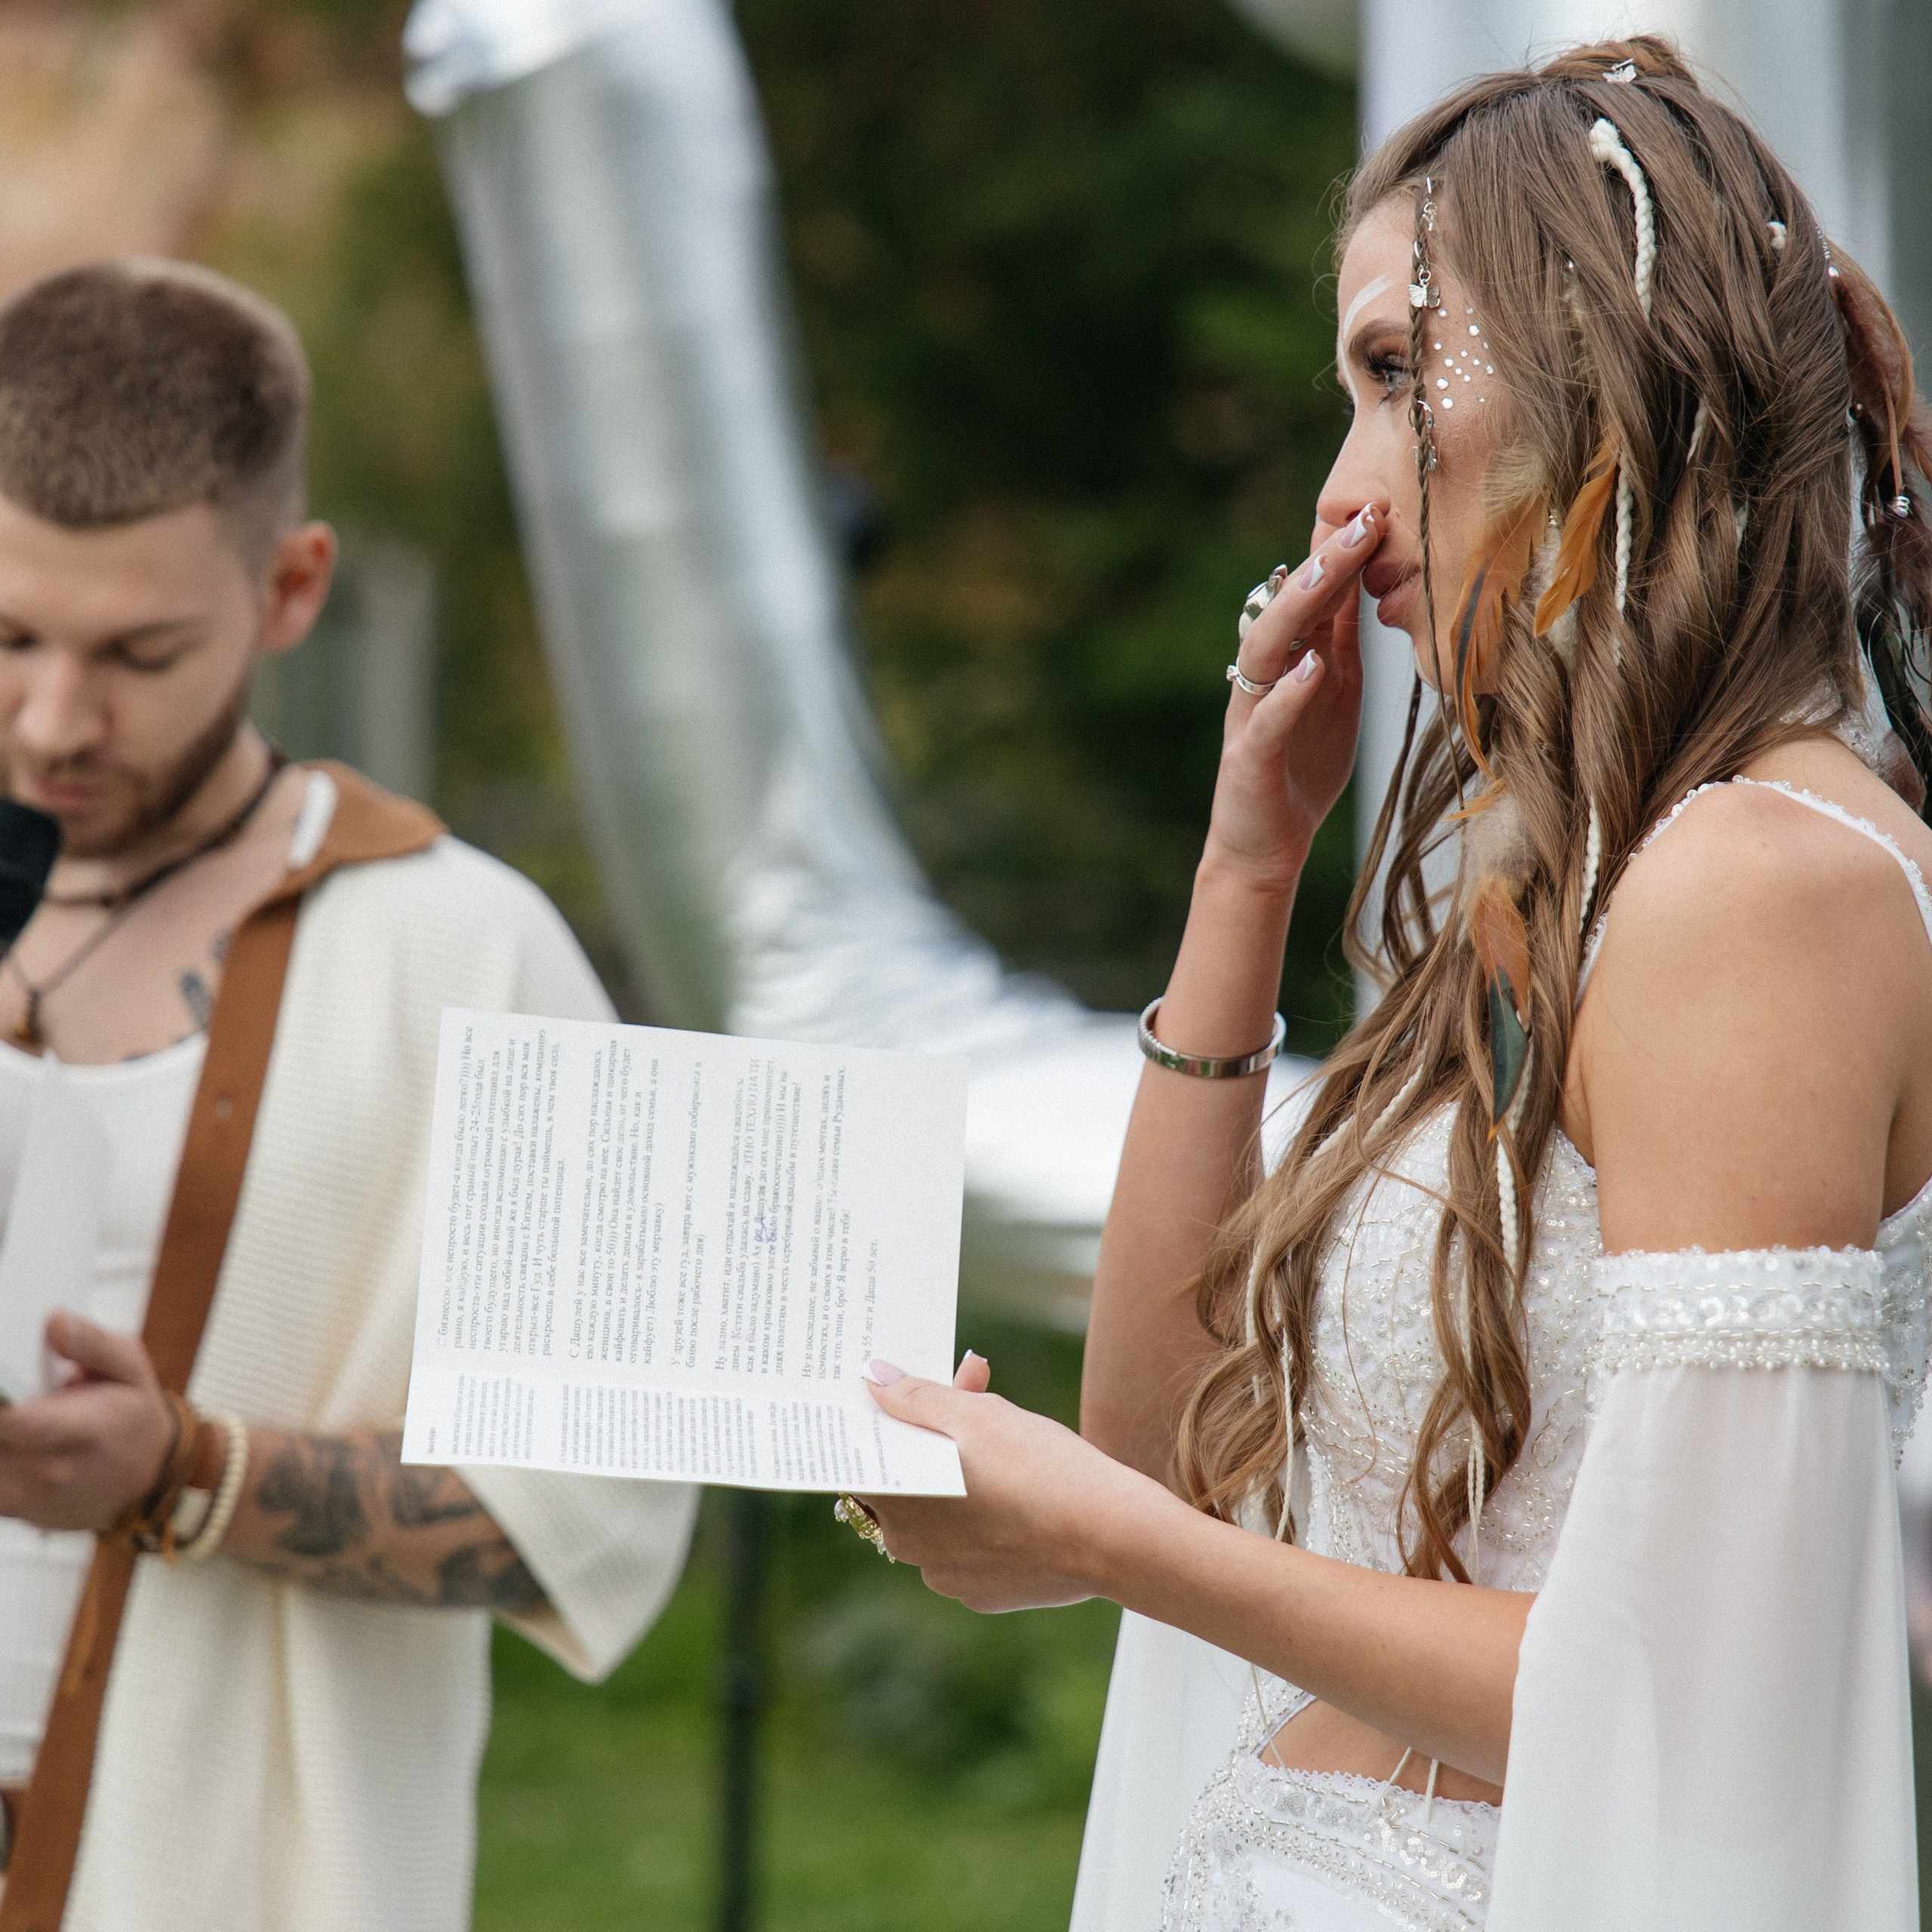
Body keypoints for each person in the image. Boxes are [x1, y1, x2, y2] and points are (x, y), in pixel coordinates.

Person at [848, 37, 1932, 1931]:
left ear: (1596, 358)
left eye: (1383, 371)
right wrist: (1241, 871)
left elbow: (1692, 1703)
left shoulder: (1756, 887)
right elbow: (1159, 1454)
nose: (1342, 487)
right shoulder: (1577, 880)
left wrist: (1106, 1545)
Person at [0, 258, 696, 1930]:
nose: (53, 717)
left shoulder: (469, 947)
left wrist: (188, 1466)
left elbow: (588, 1504)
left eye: (140, 650)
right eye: (7, 633)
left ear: (291, 587)